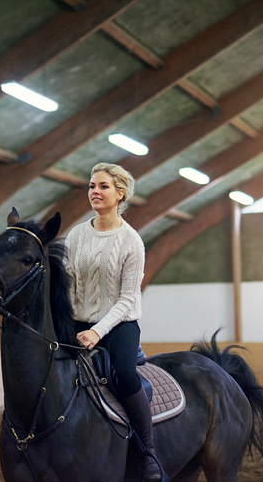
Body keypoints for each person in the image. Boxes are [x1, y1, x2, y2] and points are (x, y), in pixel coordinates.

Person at [65, 162, 161, 482]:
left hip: (119, 323)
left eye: (103, 186)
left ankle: (147, 451)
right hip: (78, 319)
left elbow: (127, 298)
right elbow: (67, 285)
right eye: (92, 186)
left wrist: (97, 331)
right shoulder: (76, 235)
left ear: (120, 193)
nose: (95, 191)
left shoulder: (131, 241)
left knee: (122, 373)